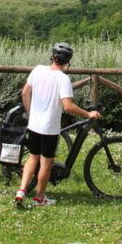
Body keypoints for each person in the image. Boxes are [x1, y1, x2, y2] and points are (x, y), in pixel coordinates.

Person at [14, 42, 101, 207]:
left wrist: (31, 113)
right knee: (46, 164)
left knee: (32, 158)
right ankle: (40, 197)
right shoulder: (63, 79)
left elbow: (25, 93)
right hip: (49, 128)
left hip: (34, 125)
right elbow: (68, 106)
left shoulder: (38, 70)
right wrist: (88, 113)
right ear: (68, 62)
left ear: (52, 57)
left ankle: (21, 190)